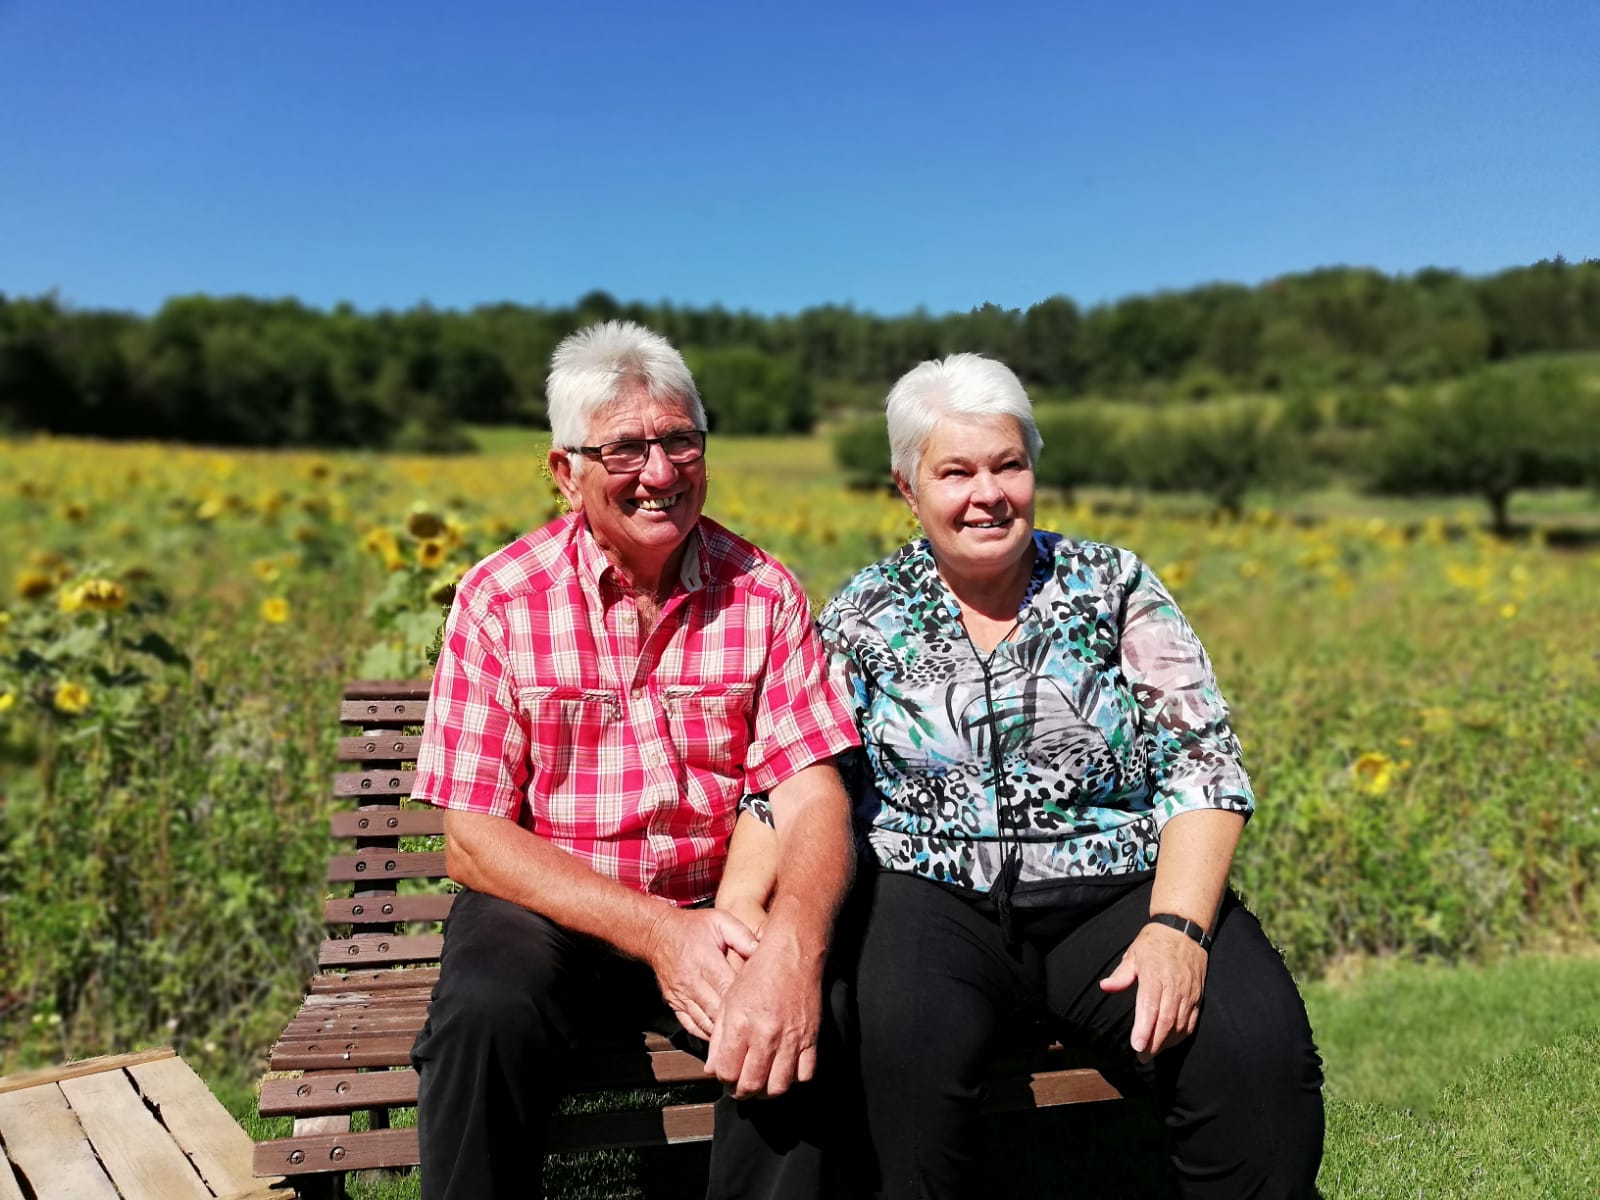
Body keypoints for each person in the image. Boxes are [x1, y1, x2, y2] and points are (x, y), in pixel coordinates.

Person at [728, 353, 1325, 1198]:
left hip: (1116, 892)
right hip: (929, 897)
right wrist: (738, 909)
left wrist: (1181, 932)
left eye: (1009, 464)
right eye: (957, 472)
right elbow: (797, 770)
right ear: (908, 489)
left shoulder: (1114, 587)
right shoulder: (867, 610)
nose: (989, 493)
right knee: (901, 1063)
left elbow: (1204, 763)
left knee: (1255, 1053)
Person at [408, 320, 861, 1200]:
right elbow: (471, 839)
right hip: (551, 906)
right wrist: (657, 932)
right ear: (565, 470)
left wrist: (795, 948)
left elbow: (812, 796)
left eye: (680, 441)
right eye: (625, 449)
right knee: (486, 1012)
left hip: (716, 899)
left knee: (803, 1018)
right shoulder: (501, 599)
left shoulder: (762, 592)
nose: (660, 473)